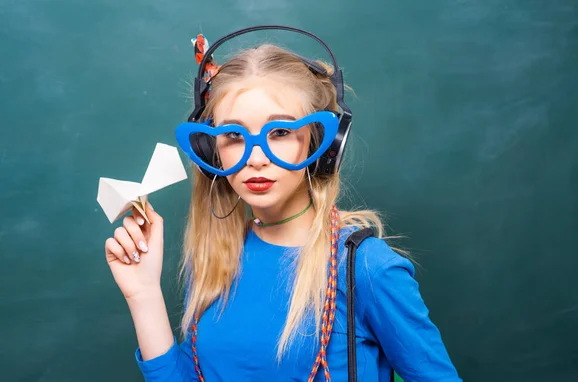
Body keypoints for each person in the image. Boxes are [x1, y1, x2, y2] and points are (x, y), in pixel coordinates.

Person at [103, 26, 461, 382]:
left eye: (280, 132)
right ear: (210, 151)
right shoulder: (214, 260)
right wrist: (144, 294)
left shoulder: (367, 269)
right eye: (233, 135)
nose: (255, 157)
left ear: (321, 145)